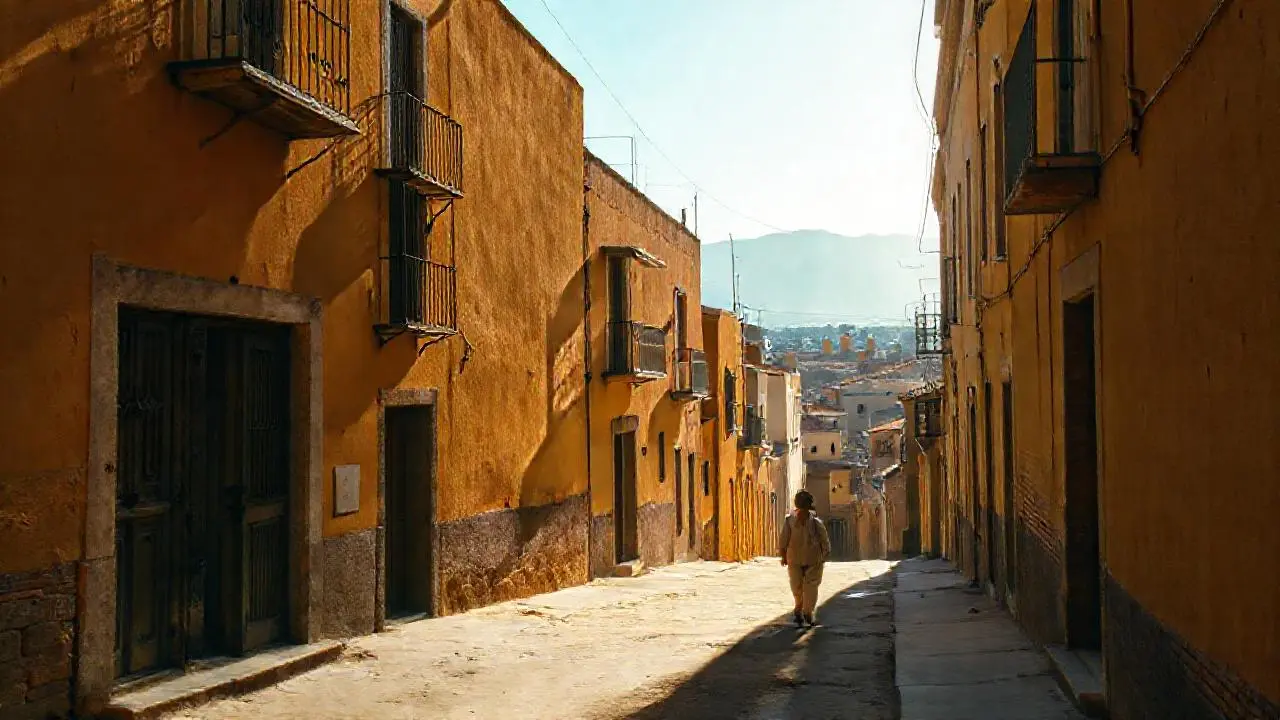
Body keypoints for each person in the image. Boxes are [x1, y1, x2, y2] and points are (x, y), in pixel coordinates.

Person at [778, 489, 831, 627]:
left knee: (811, 587)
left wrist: (824, 556)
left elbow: (824, 541)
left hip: (813, 560)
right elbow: (784, 540)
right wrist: (783, 556)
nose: (802, 512)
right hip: (794, 559)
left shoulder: (816, 523)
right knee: (797, 587)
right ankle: (799, 608)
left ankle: (807, 612)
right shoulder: (789, 521)